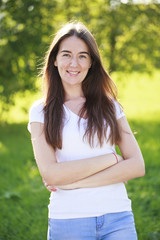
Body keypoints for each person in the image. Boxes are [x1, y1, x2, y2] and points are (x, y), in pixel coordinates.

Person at [28, 21, 145, 240]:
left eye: (83, 55)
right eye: (66, 54)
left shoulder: (110, 105)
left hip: (118, 217)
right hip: (69, 220)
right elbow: (51, 174)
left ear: (91, 62)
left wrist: (72, 182)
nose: (74, 63)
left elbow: (137, 166)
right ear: (54, 59)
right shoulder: (40, 112)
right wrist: (111, 159)